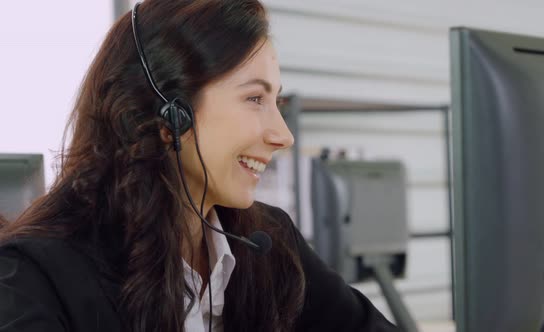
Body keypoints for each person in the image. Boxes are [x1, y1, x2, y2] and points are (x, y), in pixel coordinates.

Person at [0, 1, 399, 331]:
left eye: (276, 101)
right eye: (254, 99)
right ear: (169, 114)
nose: (283, 135)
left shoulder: (269, 244)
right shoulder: (36, 277)